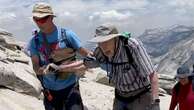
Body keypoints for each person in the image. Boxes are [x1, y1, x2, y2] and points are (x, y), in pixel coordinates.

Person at [28, 2, 91, 110]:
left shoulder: (67, 35)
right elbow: (36, 68)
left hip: (70, 88)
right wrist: (44, 71)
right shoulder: (34, 41)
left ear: (51, 17)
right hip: (50, 92)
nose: (39, 23)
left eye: (42, 19)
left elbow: (89, 56)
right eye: (36, 19)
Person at [89, 24, 160, 110]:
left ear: (115, 38)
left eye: (106, 41)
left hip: (140, 97)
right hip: (119, 97)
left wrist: (155, 103)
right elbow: (88, 61)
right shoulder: (100, 50)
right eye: (99, 42)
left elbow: (152, 74)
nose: (103, 46)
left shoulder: (132, 46)